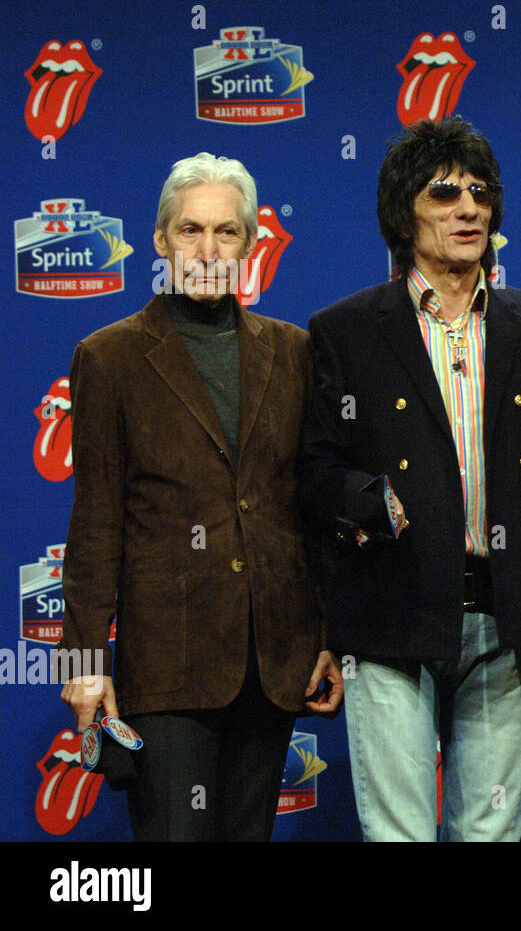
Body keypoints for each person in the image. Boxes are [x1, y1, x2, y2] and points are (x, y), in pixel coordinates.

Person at [297, 117, 521, 842]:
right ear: (405, 214)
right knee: (399, 834)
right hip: (389, 615)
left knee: (488, 836)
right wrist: (372, 502)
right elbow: (312, 472)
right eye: (445, 193)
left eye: (480, 192)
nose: (469, 208)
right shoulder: (345, 329)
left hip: (507, 619)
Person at [58, 151, 342, 841]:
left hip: (272, 662)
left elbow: (311, 511)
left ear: (250, 242)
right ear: (160, 241)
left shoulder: (295, 351)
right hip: (166, 668)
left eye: (226, 232)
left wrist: (330, 639)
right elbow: (93, 523)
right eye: (190, 230)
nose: (208, 250)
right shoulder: (109, 357)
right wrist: (82, 665)